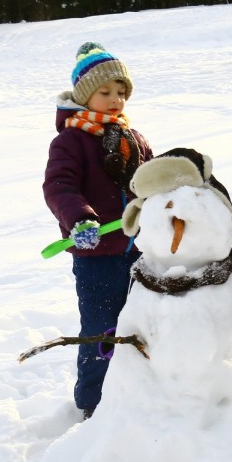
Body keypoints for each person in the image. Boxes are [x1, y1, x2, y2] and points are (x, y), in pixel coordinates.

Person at [43, 42, 153, 418]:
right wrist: (80, 219)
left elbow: (151, 184)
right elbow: (59, 186)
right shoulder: (70, 141)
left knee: (144, 325)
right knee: (102, 331)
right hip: (98, 258)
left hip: (141, 252)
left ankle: (144, 392)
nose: (115, 99)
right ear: (85, 95)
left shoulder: (134, 138)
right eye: (105, 92)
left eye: (121, 92)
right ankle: (94, 403)